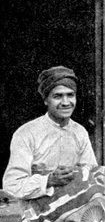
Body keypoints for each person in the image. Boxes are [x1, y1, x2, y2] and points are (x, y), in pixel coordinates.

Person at [2, 65, 97, 200]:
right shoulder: (26, 134)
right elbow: (12, 185)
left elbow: (91, 173)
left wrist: (81, 174)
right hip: (36, 212)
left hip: (73, 210)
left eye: (70, 95)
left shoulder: (80, 132)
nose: (65, 102)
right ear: (46, 100)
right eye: (58, 96)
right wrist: (49, 180)